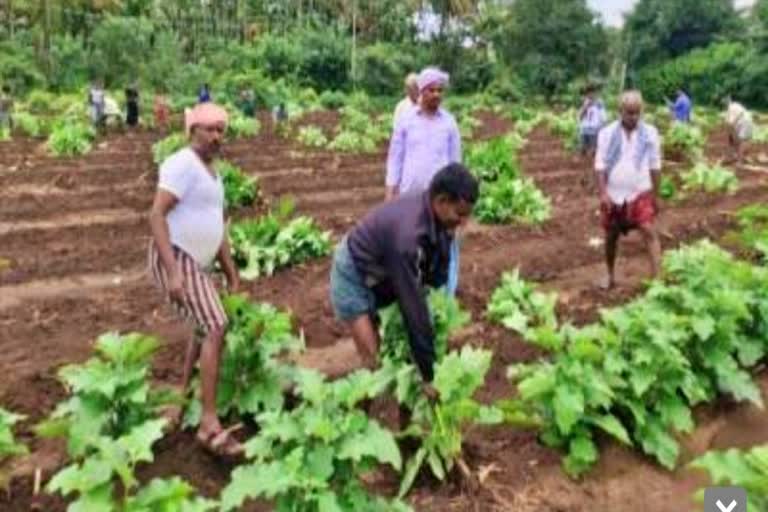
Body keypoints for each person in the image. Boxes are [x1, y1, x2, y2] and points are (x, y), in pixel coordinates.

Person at [330, 163, 479, 396]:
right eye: (460, 215)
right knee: (374, 360)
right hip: (354, 274)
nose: (464, 223)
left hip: (383, 274)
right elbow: (413, 306)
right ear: (441, 201)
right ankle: (359, 417)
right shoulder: (407, 238)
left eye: (467, 216)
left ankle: (403, 419)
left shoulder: (440, 220)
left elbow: (435, 278)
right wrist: (429, 375)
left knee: (407, 358)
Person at [148, 102, 243, 457]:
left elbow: (219, 230)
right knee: (215, 325)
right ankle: (208, 423)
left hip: (196, 261)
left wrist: (231, 274)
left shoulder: (214, 174)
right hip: (174, 256)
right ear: (193, 131)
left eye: (222, 129)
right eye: (210, 129)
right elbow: (156, 215)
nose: (218, 136)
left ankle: (180, 400)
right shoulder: (182, 164)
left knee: (204, 328)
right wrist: (173, 271)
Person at [386, 67, 462, 294]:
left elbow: (455, 162)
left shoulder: (449, 123)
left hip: (441, 202)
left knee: (443, 248)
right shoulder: (405, 120)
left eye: (440, 90)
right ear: (422, 91)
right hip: (411, 198)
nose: (437, 94)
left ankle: (444, 296)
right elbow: (395, 158)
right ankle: (410, 291)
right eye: (432, 90)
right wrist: (390, 194)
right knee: (410, 246)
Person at [595, 90, 662, 290]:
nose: (633, 117)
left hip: (640, 192)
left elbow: (655, 165)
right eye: (628, 113)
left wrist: (656, 196)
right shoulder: (606, 133)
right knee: (611, 237)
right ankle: (610, 275)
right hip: (614, 195)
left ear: (641, 112)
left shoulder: (650, 133)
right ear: (620, 111)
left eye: (637, 113)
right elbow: (600, 166)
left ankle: (658, 280)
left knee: (649, 232)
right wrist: (603, 193)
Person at [578, 85, 607, 162]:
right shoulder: (583, 102)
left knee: (593, 150)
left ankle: (592, 166)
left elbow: (603, 116)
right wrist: (585, 106)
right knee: (582, 149)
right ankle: (582, 166)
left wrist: (603, 126)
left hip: (594, 129)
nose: (590, 94)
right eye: (588, 93)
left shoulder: (599, 103)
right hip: (584, 129)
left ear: (595, 93)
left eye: (592, 92)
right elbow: (580, 116)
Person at [725, 97, 753, 164]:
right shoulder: (733, 107)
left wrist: (732, 135)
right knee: (741, 141)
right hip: (745, 122)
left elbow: (731, 123)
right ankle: (739, 157)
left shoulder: (732, 107)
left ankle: (740, 160)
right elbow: (730, 124)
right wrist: (732, 135)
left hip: (745, 122)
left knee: (742, 141)